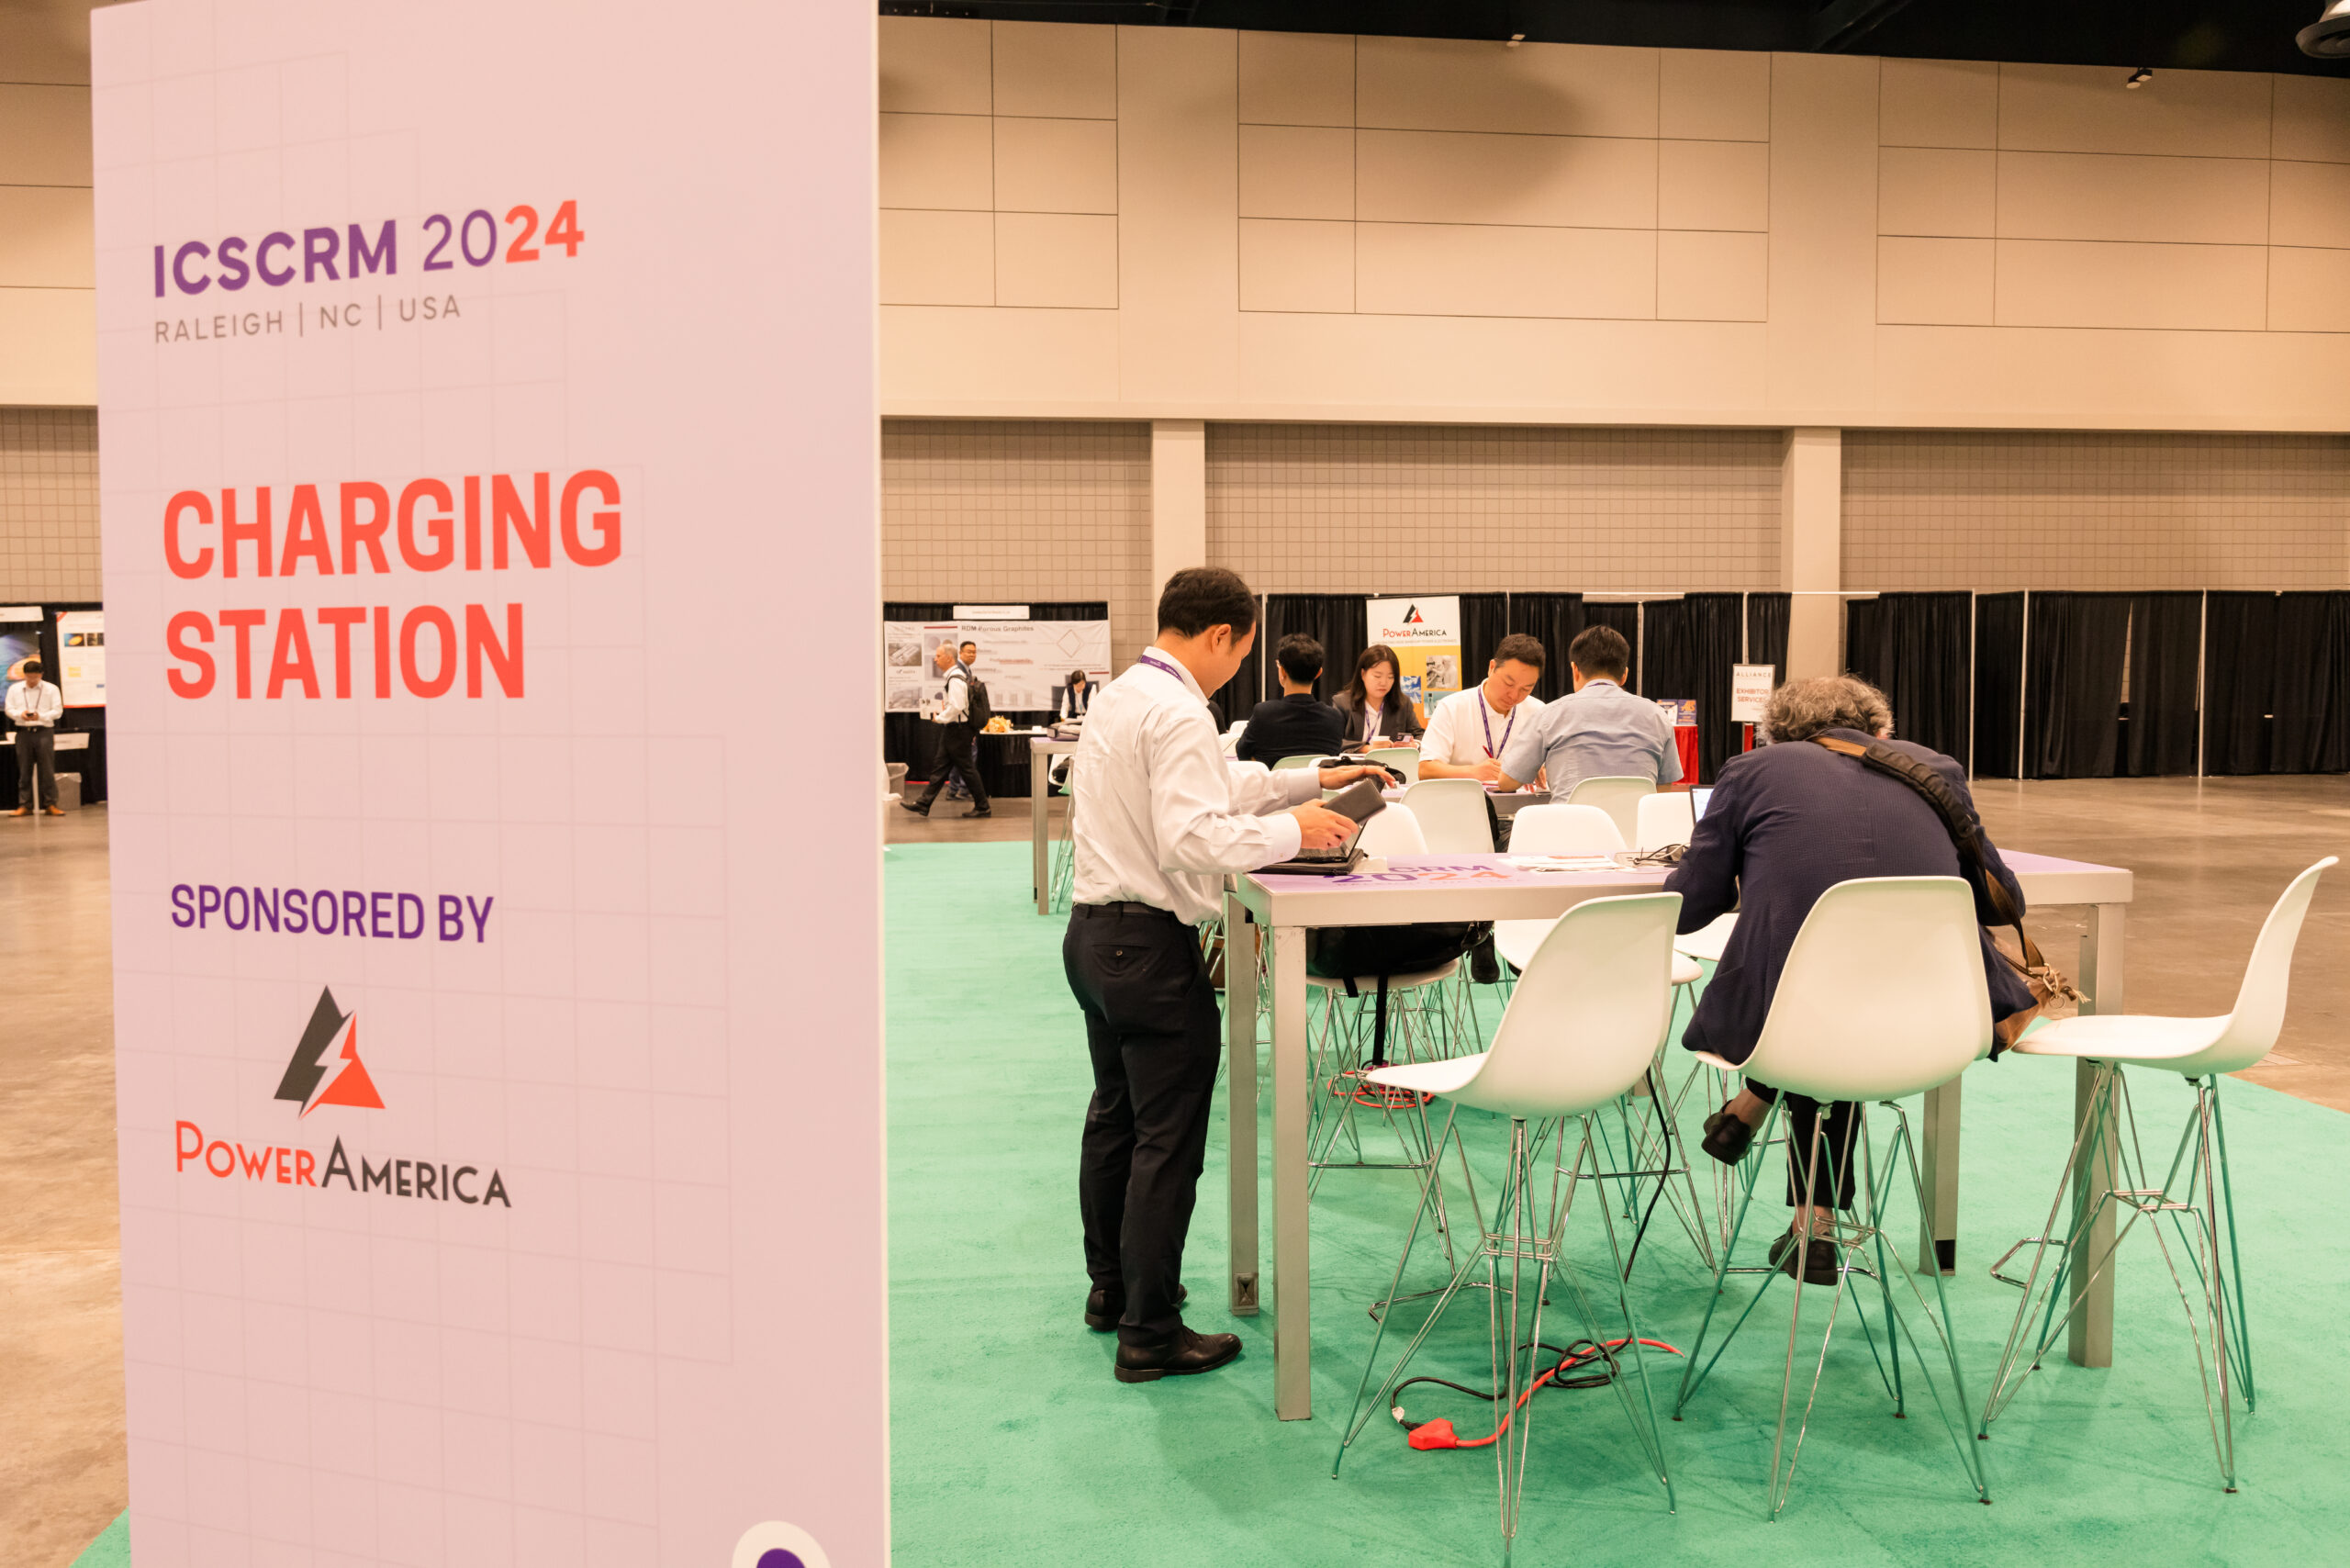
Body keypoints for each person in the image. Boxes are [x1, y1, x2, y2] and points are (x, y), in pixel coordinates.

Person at [1067, 567, 1386, 1383]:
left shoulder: (1123, 695)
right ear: (1221, 636)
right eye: (1241, 652)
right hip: (1150, 948)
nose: (1239, 666)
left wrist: (1316, 779)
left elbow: (1215, 782)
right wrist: (1297, 831)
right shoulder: (1179, 710)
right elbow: (1192, 838)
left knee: (1116, 1122)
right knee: (1165, 1144)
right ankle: (1150, 1332)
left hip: (1096, 938)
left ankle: (1113, 1293)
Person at [1663, 676, 2034, 1285]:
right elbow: (2006, 901)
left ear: (1777, 734)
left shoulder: (1751, 770)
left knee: (1814, 1003)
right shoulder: (1937, 768)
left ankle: (1772, 1143)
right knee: (1841, 995)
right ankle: (1806, 1208)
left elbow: (1690, 905)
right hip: (1940, 1011)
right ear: (1880, 732)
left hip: (1798, 1018)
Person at [1494, 624, 1681, 798]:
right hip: (1636, 823)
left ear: (1575, 670)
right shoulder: (1658, 716)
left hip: (1571, 822)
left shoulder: (1549, 715)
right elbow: (1662, 790)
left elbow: (1507, 782)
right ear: (1624, 675)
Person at [1416, 633, 1546, 782]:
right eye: (1508, 683)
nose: (1514, 696)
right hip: (1463, 795)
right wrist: (1472, 772)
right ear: (1492, 668)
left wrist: (1542, 769)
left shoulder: (1538, 712)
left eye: (1526, 689)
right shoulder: (1452, 707)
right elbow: (1426, 770)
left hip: (1521, 797)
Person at [901, 642, 990, 818]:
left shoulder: (955, 679)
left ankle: (983, 806)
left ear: (949, 658)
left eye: (938, 656)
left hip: (958, 730)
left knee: (966, 769)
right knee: (941, 768)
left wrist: (940, 718)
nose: (935, 659)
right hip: (955, 730)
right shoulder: (956, 676)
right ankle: (924, 803)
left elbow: (957, 706)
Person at [1235, 633, 1347, 764]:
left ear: (1282, 671)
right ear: (1318, 673)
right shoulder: (1335, 718)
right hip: (1316, 778)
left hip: (1273, 777)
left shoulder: (1264, 713)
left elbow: (1242, 753)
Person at [1332, 644, 1423, 746]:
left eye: (1390, 677)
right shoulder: (1343, 703)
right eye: (1377, 676)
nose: (1384, 682)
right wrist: (1367, 749)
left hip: (1390, 757)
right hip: (1353, 757)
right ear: (1363, 674)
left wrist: (1414, 744)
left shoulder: (1403, 703)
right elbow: (1332, 740)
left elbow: (1420, 735)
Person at [6, 658, 63, 817]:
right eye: (29, 677)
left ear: (41, 675)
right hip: (23, 732)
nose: (32, 680)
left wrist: (41, 716)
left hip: (44, 731)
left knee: (47, 770)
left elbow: (58, 711)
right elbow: (9, 709)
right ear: (24, 675)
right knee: (24, 771)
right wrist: (20, 714)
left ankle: (51, 804)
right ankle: (25, 805)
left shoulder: (51, 689)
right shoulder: (15, 689)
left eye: (35, 677)